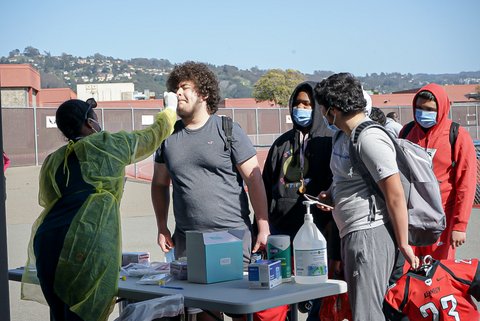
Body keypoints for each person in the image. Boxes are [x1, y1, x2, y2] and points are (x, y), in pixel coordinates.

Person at [22, 97, 177, 321]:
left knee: (61, 314)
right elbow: (152, 136)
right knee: (86, 313)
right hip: (85, 242)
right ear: (88, 123)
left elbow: (48, 199)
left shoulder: (53, 160)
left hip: (47, 243)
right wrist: (169, 110)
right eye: (95, 118)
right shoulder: (106, 145)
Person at [151, 62, 271, 321]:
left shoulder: (227, 130)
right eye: (174, 89)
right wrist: (162, 226)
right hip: (188, 244)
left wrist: (262, 225)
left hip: (233, 241)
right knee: (202, 315)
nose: (177, 94)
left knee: (241, 311)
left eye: (184, 88)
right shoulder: (167, 136)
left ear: (204, 94)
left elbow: (254, 180)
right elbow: (159, 184)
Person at [314, 73, 419, 321]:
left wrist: (404, 243)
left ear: (334, 109)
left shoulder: (370, 138)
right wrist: (332, 194)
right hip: (353, 232)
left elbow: (394, 194)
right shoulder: (342, 135)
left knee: (367, 314)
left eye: (321, 108)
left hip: (369, 235)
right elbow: (348, 177)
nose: (321, 114)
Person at [262, 81, 341, 321]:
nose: (300, 108)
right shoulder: (281, 143)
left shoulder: (330, 140)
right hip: (282, 232)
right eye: (297, 103)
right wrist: (262, 224)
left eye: (307, 103)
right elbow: (265, 185)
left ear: (317, 107)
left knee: (317, 294)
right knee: (282, 292)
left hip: (318, 234)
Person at [400, 84, 477, 260]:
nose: (422, 113)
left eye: (429, 109)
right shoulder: (406, 132)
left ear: (441, 108)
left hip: (442, 219)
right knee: (407, 273)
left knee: (438, 275)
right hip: (410, 218)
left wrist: (459, 225)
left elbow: (466, 184)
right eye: (419, 108)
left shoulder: (457, 135)